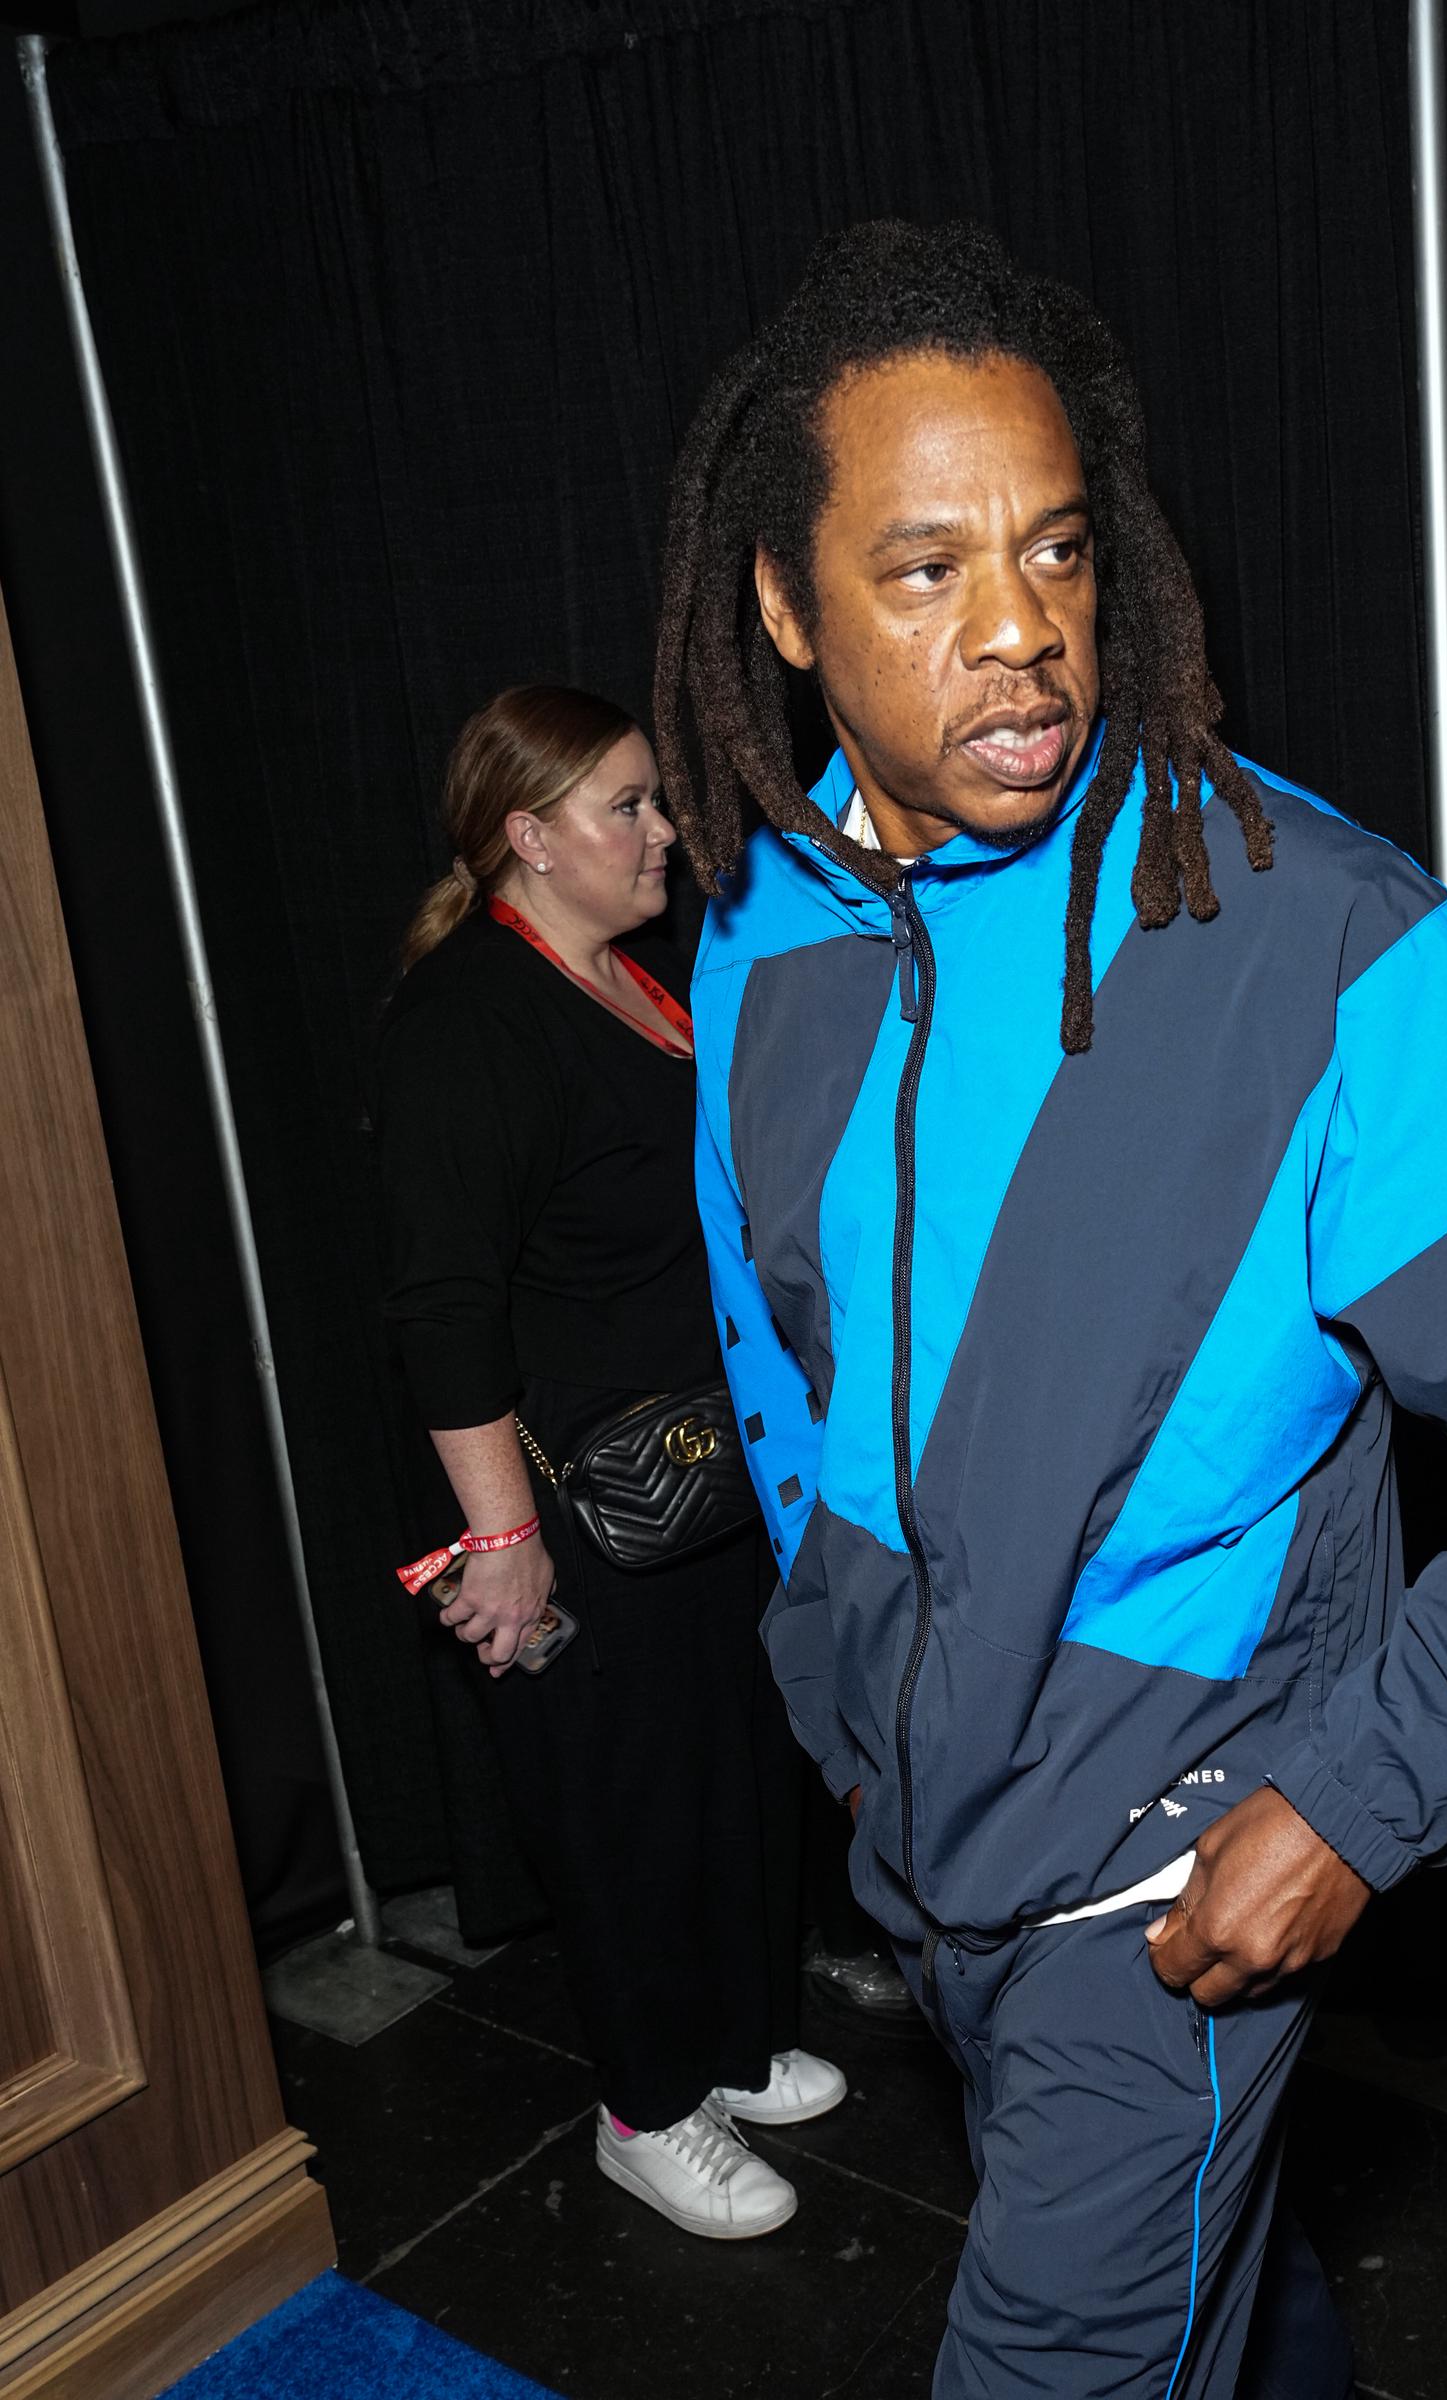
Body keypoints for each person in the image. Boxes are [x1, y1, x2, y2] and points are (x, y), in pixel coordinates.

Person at [657, 222, 1447, 2395]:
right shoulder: (760, 924)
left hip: (1155, 1888)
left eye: (1060, 552)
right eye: (926, 570)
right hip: (921, 1838)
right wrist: (841, 1705)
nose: (1022, 633)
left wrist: (1359, 1797)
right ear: (784, 607)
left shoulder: (1318, 935)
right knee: (1228, 2300)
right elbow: (779, 1354)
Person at [375, 684, 843, 2239]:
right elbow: (442, 1307)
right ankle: (646, 2109)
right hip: (577, 1506)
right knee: (622, 1808)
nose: (664, 830)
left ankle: (733, 2044)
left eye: (657, 798)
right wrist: (504, 1544)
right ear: (527, 836)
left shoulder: (633, 976)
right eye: (628, 805)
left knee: (731, 1772)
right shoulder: (468, 1021)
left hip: (703, 1474)